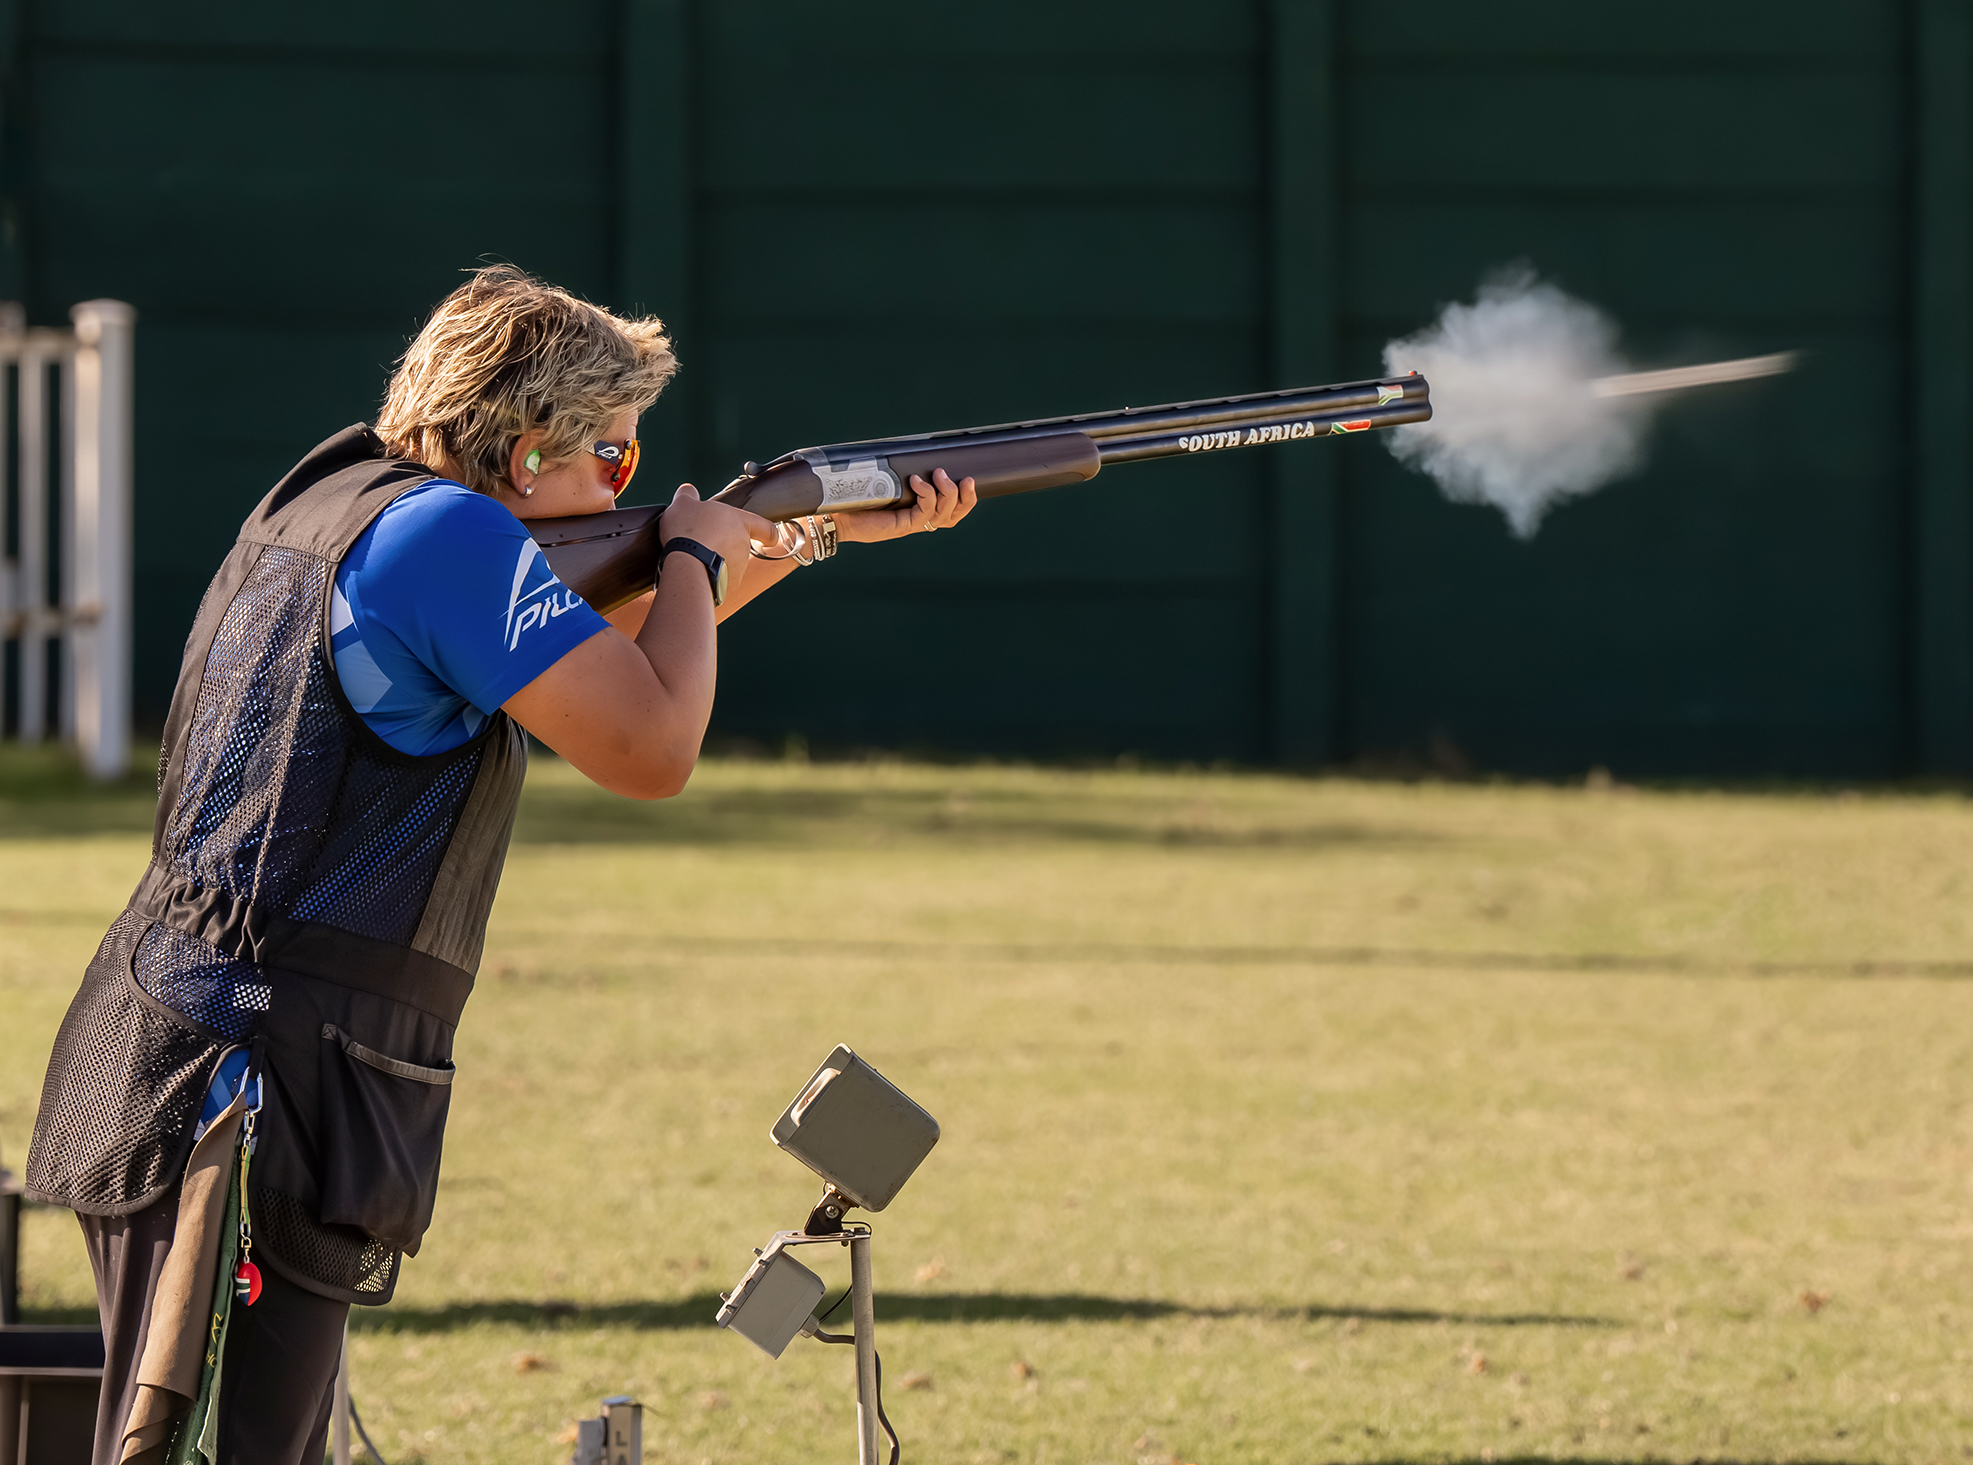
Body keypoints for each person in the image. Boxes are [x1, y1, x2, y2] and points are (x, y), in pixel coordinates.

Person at [24, 265, 977, 1465]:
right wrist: (686, 551)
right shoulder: (450, 533)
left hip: (185, 1036)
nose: (624, 489)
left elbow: (597, 664)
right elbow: (648, 742)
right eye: (614, 463)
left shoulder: (340, 499)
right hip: (249, 1086)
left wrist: (804, 532)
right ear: (529, 455)